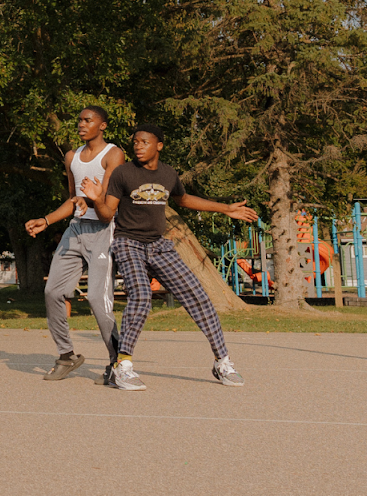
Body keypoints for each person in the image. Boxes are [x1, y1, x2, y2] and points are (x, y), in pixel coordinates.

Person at [89, 123, 258, 391]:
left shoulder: (168, 173)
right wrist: (97, 199)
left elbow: (184, 199)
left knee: (199, 297)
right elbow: (107, 213)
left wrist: (225, 208)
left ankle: (222, 362)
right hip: (128, 243)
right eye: (135, 142)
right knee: (142, 297)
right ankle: (123, 367)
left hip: (159, 245)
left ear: (159, 145)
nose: (138, 146)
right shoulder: (123, 173)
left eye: (144, 142)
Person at [24, 105, 125, 382]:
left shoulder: (113, 154)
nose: (81, 124)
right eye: (79, 120)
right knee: (52, 292)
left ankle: (119, 363)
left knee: (97, 299)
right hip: (76, 230)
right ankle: (67, 355)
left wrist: (88, 199)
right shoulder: (72, 157)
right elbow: (73, 200)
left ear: (102, 125)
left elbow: (107, 200)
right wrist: (47, 220)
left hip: (103, 230)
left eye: (88, 120)